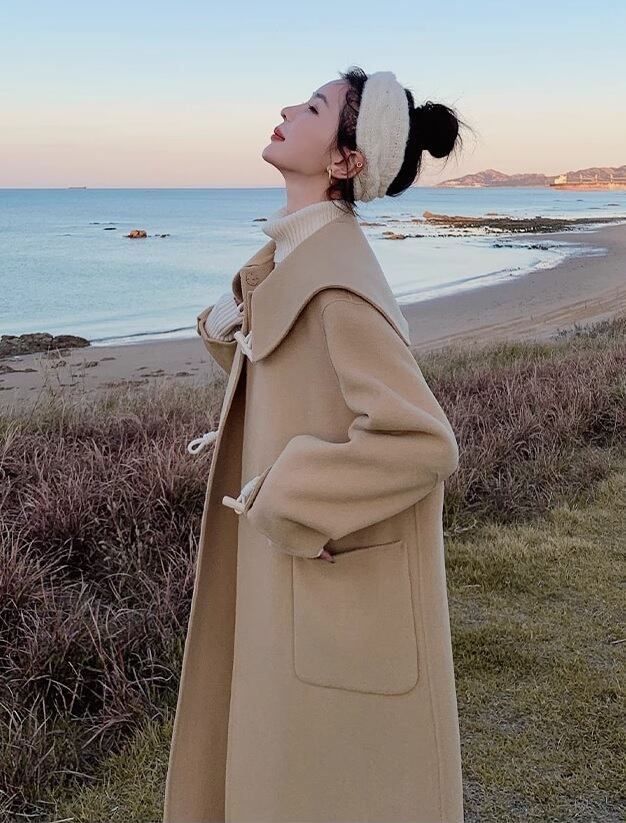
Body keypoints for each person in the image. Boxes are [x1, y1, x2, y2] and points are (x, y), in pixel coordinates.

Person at [164, 66, 466, 823]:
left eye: (314, 106)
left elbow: (422, 441)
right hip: (298, 567)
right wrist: (232, 320)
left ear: (344, 159)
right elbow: (300, 379)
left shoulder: (335, 283)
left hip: (320, 569)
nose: (287, 109)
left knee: (303, 775)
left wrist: (287, 492)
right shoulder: (302, 260)